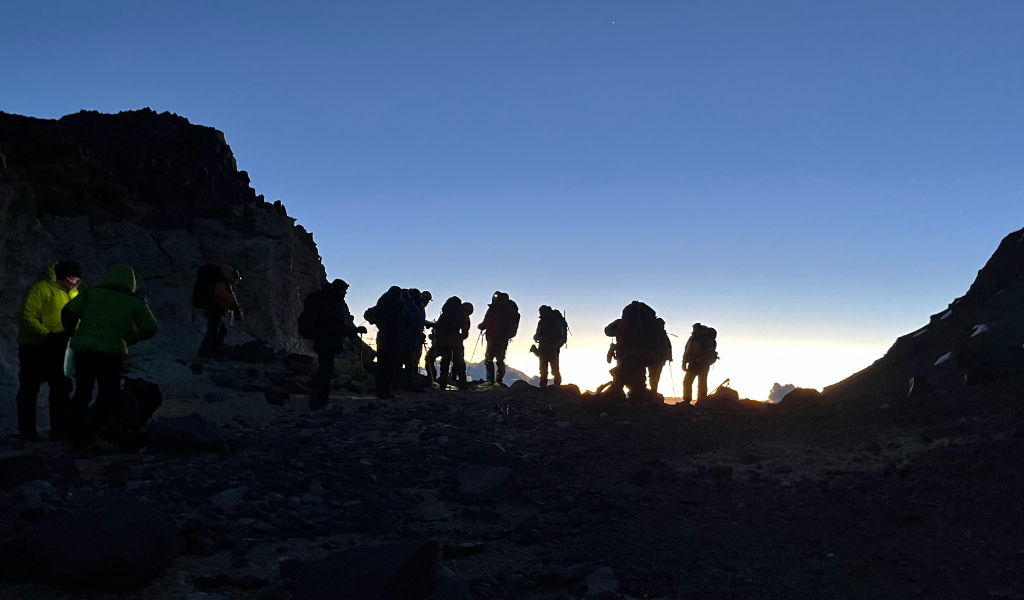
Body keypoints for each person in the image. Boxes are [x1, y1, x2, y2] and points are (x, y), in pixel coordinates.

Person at [61, 264, 158, 445]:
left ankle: (72, 431)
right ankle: (99, 431)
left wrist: (73, 331)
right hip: (111, 353)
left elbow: (68, 312)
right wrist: (131, 338)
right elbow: (151, 327)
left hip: (84, 350)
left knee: (83, 391)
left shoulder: (91, 293)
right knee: (108, 393)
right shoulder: (135, 302)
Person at [15, 261, 82, 441]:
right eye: (70, 279)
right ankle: (28, 432)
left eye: (77, 280)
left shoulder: (73, 294)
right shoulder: (40, 289)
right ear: (61, 277)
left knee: (61, 387)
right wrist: (46, 335)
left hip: (60, 347)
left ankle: (59, 431)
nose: (74, 283)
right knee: (30, 388)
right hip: (34, 347)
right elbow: (26, 316)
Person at [298, 279, 366, 408]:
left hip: (324, 340)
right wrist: (354, 330)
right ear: (339, 290)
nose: (345, 293)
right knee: (325, 371)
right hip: (327, 341)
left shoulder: (329, 301)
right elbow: (333, 326)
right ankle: (318, 401)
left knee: (325, 370)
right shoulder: (331, 303)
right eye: (344, 290)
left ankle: (319, 399)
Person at [603, 300, 661, 402]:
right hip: (641, 357)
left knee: (620, 379)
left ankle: (615, 401)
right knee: (638, 381)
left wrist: (619, 327)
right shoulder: (648, 325)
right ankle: (638, 403)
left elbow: (607, 331)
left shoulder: (622, 323)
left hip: (623, 356)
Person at [193, 265, 242, 358]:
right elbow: (227, 298)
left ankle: (210, 351)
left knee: (217, 331)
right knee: (213, 332)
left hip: (213, 309)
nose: (236, 281)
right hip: (215, 310)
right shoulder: (223, 283)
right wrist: (236, 309)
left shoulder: (220, 280)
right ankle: (205, 353)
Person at [429, 296, 473, 391]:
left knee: (445, 363)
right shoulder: (461, 313)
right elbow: (465, 329)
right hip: (456, 342)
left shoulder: (445, 312)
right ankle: (463, 385)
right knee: (459, 363)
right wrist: (461, 337)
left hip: (443, 341)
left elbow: (439, 326)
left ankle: (442, 385)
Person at [477, 291, 519, 388]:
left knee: (489, 359)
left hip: (493, 337)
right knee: (498, 360)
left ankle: (491, 381)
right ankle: (497, 382)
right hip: (500, 338)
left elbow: (486, 322)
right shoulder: (507, 311)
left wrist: (481, 326)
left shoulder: (493, 310)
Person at [530, 305, 568, 388]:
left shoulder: (543, 321)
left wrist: (536, 337)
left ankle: (543, 386)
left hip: (545, 346)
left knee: (543, 369)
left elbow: (538, 333)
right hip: (554, 347)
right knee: (554, 369)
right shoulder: (555, 319)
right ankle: (557, 386)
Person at [682, 322, 718, 405]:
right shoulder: (694, 338)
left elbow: (687, 350)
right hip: (697, 364)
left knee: (697, 382)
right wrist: (684, 362)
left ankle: (697, 401)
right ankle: (696, 401)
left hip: (701, 364)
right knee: (696, 382)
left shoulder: (704, 338)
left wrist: (685, 362)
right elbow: (687, 350)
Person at [647, 318, 673, 394]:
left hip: (656, 359)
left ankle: (653, 390)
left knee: (654, 375)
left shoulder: (655, 333)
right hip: (655, 358)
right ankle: (653, 390)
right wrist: (669, 357)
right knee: (654, 375)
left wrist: (669, 356)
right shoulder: (660, 334)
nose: (663, 325)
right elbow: (668, 346)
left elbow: (668, 346)